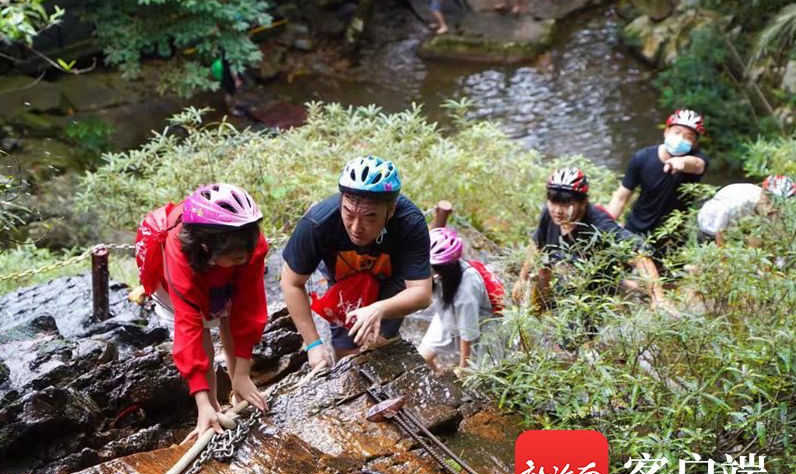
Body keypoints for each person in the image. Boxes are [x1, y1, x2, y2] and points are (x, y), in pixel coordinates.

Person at [281, 155, 433, 369]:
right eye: (349, 213)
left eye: (370, 217)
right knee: (345, 347)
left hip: (391, 283)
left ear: (390, 211)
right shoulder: (319, 223)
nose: (355, 227)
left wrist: (379, 309)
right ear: (341, 201)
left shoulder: (409, 223)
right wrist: (313, 344)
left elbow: (422, 294)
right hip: (343, 280)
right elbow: (291, 282)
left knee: (380, 345)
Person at [154, 184, 270, 438]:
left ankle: (239, 387)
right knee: (204, 325)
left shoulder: (250, 243)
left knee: (227, 313)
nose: (245, 260)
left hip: (219, 272)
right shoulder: (180, 254)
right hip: (180, 279)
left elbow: (248, 306)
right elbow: (189, 325)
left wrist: (242, 372)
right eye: (237, 258)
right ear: (207, 248)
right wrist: (201, 400)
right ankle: (212, 407)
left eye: (247, 255)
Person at [513, 167, 673, 311]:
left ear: (583, 202)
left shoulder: (599, 223)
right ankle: (541, 311)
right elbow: (537, 246)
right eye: (553, 203)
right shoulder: (549, 215)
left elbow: (639, 256)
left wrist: (659, 298)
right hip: (564, 277)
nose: (557, 211)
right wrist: (522, 279)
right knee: (542, 271)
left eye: (566, 204)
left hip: (595, 292)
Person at [606, 109, 709, 259]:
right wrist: (606, 224)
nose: (680, 139)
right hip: (636, 228)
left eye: (688, 137)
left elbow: (697, 165)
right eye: (677, 132)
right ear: (666, 132)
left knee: (665, 277)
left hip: (671, 234)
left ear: (694, 143)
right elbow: (621, 197)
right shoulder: (643, 157)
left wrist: (680, 163)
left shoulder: (698, 160)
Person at [419, 228, 495, 376]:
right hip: (448, 314)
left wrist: (463, 368)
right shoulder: (445, 275)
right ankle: (440, 375)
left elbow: (468, 334)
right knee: (421, 358)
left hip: (479, 323)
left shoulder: (466, 292)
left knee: (477, 374)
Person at [697, 175, 796, 245]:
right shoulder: (739, 203)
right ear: (763, 194)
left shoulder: (775, 210)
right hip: (711, 227)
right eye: (769, 202)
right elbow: (720, 236)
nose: (773, 208)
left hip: (741, 225)